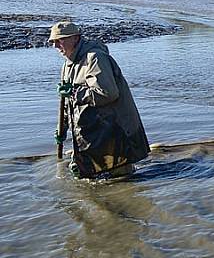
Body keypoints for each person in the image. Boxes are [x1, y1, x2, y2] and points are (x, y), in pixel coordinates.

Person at [50, 21, 150, 179]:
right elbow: (67, 103)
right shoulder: (67, 66)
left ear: (75, 38)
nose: (56, 45)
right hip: (93, 132)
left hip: (114, 130)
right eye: (53, 42)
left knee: (122, 177)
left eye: (60, 40)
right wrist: (61, 128)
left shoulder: (95, 58)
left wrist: (75, 92)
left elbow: (107, 93)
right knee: (89, 178)